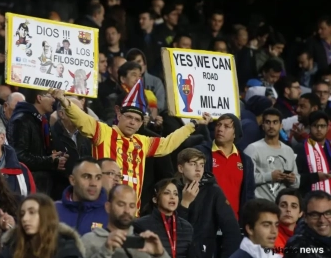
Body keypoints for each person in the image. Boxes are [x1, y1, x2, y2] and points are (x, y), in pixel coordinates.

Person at [48, 82, 212, 211]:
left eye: (137, 119)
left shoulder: (143, 141)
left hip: (131, 213)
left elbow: (168, 143)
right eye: (129, 117)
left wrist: (192, 125)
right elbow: (82, 119)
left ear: (142, 122)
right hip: (103, 207)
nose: (133, 122)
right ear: (119, 114)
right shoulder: (104, 132)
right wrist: (64, 101)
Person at [176, 148, 241, 258]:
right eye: (193, 164)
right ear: (181, 168)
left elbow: (232, 230)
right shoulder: (170, 190)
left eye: (201, 165)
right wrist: (184, 204)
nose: (198, 169)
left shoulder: (213, 191)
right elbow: (170, 229)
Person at [81, 185, 171, 258]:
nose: (127, 211)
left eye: (132, 206)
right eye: (121, 204)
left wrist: (160, 254)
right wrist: (106, 250)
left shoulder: (144, 244)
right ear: (108, 207)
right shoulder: (90, 240)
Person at [8, 89, 68, 195]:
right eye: (50, 96)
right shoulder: (21, 121)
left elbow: (41, 151)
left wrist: (55, 157)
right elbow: (19, 156)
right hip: (30, 184)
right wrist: (50, 161)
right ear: (39, 98)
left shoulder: (42, 120)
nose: (54, 100)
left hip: (43, 182)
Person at [195, 113, 255, 220]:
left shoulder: (246, 161)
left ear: (235, 133)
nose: (220, 129)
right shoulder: (202, 153)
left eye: (227, 126)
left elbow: (249, 194)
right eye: (218, 125)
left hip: (234, 223)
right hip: (205, 222)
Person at [0, 193, 85, 258]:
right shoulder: (12, 245)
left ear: (46, 215)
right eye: (22, 214)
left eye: (32, 212)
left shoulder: (67, 248)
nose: (25, 219)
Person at [244, 108, 300, 201]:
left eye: (275, 122)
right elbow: (246, 178)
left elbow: (297, 183)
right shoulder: (252, 149)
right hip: (260, 206)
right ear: (263, 126)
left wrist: (292, 180)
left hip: (282, 206)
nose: (271, 126)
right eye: (268, 122)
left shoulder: (288, 150)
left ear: (281, 126)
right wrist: (270, 176)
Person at [133, 178, 195, 258]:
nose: (172, 197)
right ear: (155, 199)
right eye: (167, 193)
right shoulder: (141, 225)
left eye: (175, 194)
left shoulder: (187, 227)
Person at [55, 157, 108, 235]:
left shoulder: (110, 213)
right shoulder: (53, 210)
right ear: (72, 180)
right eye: (86, 177)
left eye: (98, 178)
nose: (93, 183)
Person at [293, 111, 331, 197]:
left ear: (328, 127)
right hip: (308, 199)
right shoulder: (300, 148)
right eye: (315, 126)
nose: (319, 129)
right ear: (309, 127)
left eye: (322, 126)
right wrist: (316, 177)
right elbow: (294, 179)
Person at [284, 191, 331, 258]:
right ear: (305, 217)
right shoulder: (298, 246)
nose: (322, 220)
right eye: (315, 215)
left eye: (328, 213)